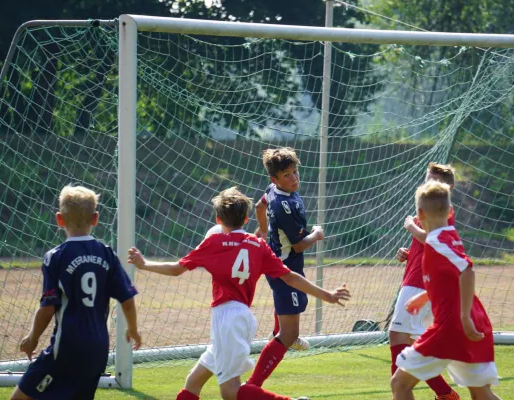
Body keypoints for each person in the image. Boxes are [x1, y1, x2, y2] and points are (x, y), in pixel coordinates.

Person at [127, 187, 350, 400]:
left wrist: (145, 264)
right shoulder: (258, 245)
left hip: (227, 319)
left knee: (230, 392)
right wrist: (326, 295)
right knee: (193, 382)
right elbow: (290, 276)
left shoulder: (213, 241)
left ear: (218, 220)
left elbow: (177, 269)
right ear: (246, 219)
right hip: (240, 318)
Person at [11, 185, 141, 400]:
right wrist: (134, 330)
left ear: (59, 219)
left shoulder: (56, 257)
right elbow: (127, 299)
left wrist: (33, 337)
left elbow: (48, 307)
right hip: (98, 350)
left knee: (20, 398)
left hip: (66, 347)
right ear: (96, 218)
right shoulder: (107, 254)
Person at [391, 180, 500, 400]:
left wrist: (463, 317)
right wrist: (425, 297)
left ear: (419, 214)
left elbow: (467, 270)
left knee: (400, 384)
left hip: (450, 328)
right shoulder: (450, 234)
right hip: (475, 322)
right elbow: (449, 279)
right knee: (482, 394)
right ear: (450, 211)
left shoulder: (434, 241)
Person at [248, 148, 323, 387]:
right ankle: (252, 385)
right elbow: (300, 246)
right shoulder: (284, 206)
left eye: (295, 172)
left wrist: (262, 229)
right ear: (274, 179)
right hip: (285, 271)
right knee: (289, 335)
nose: (294, 178)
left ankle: (277, 332)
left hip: (281, 265)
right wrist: (316, 234)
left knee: (295, 309)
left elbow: (259, 207)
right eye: (287, 175)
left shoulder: (272, 191)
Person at [390, 163, 459, 400]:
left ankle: (404, 392)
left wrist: (410, 227)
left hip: (420, 284)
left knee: (397, 336)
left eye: (433, 180)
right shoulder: (429, 209)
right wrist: (408, 254)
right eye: (426, 179)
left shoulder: (442, 210)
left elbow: (434, 241)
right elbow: (430, 247)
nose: (427, 184)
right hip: (418, 279)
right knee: (411, 343)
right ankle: (445, 394)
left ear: (447, 187)